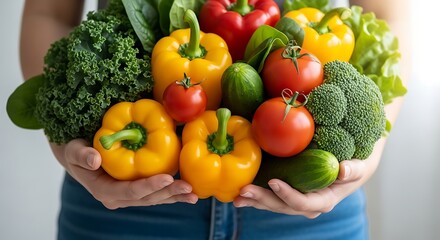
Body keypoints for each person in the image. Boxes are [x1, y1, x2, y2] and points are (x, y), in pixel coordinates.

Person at [20, 0, 410, 239]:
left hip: (304, 201)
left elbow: (388, 15)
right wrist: (64, 138)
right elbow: (47, 12)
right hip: (119, 195)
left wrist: (369, 156)